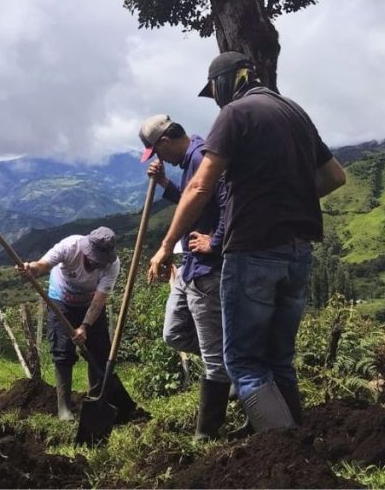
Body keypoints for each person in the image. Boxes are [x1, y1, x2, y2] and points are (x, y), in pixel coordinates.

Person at [148, 51, 346, 433]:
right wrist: (287, 205)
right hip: (298, 250)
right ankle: (294, 440)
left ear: (226, 82)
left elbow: (202, 186)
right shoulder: (295, 112)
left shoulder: (235, 114)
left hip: (253, 251)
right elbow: (335, 176)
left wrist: (165, 244)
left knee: (243, 362)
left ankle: (287, 453)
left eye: (215, 91)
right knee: (279, 359)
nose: (217, 100)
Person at [139, 114, 230, 440]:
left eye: (157, 152)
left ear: (164, 142)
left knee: (214, 360)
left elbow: (229, 203)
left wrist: (215, 241)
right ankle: (233, 367)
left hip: (207, 270)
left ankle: (206, 435)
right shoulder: (191, 161)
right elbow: (194, 205)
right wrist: (165, 184)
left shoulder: (203, 157)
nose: (159, 159)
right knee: (174, 334)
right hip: (189, 270)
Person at [16, 227, 121, 421]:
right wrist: (30, 269)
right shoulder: (70, 246)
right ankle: (64, 408)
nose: (98, 263)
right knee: (63, 352)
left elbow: (99, 300)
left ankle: (94, 400)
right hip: (61, 301)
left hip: (90, 304)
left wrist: (85, 326)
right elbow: (42, 266)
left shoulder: (112, 265)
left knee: (99, 352)